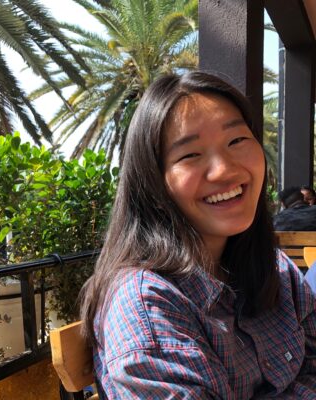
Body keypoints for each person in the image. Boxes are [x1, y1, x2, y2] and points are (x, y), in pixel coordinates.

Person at [80, 72, 316, 399]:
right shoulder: (147, 307)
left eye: (236, 140)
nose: (224, 170)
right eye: (190, 155)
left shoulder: (274, 268)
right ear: (153, 183)